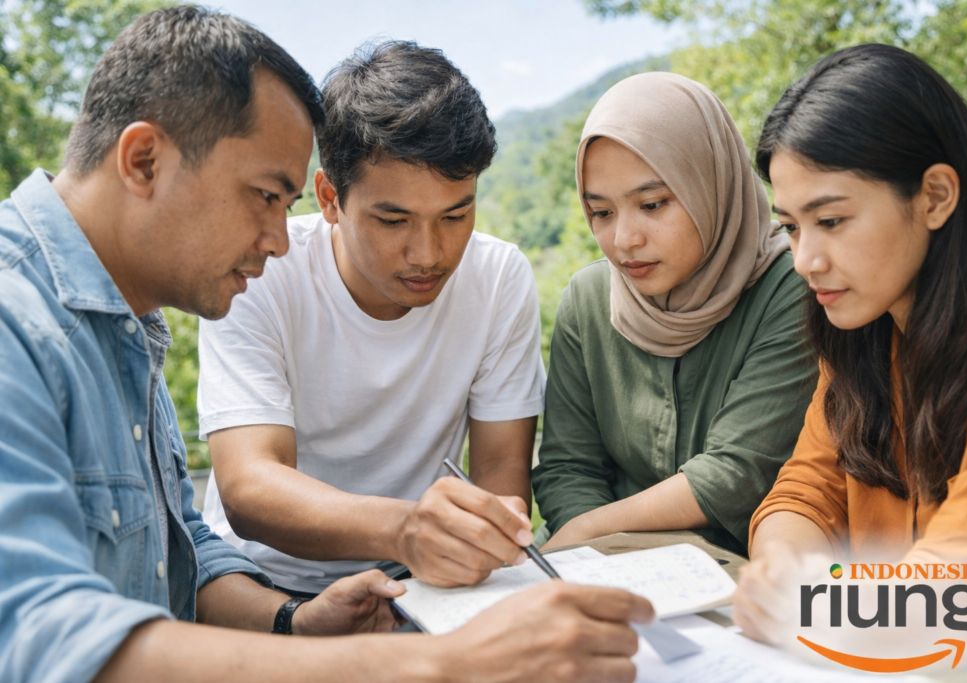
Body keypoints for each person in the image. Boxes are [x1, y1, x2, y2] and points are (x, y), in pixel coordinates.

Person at [0, 8, 653, 683]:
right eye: (264, 196)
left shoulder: (123, 328)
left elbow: (179, 552)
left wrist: (294, 623)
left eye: (283, 206)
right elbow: (39, 635)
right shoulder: (16, 321)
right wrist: (433, 661)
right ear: (144, 161)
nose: (279, 240)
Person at [196, 40, 546, 593]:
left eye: (456, 215)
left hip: (422, 583)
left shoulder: (498, 276)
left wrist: (481, 545)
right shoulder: (263, 270)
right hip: (262, 584)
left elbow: (501, 473)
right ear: (329, 198)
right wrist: (404, 529)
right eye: (393, 221)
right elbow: (249, 488)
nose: (428, 254)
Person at [732, 44, 967, 676]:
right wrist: (781, 564)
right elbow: (806, 488)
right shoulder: (864, 331)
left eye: (832, 220)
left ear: (935, 196)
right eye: (791, 227)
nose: (805, 261)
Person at [532, 72, 818, 556]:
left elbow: (734, 473)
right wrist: (598, 559)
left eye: (652, 204)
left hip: (729, 565)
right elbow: (568, 467)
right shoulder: (589, 298)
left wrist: (591, 532)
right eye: (602, 212)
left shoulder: (791, 286)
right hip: (592, 560)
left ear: (711, 184)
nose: (625, 239)